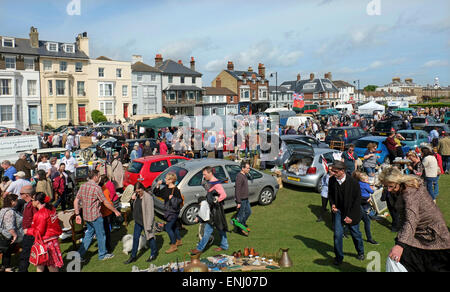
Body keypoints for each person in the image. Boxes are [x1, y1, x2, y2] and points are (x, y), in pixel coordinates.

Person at [380, 168, 450, 272]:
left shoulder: (410, 192)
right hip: (417, 234)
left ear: (398, 182)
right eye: (386, 186)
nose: (389, 189)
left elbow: (411, 219)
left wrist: (400, 245)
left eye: (391, 186)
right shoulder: (400, 189)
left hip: (432, 235)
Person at [74, 170, 121, 261]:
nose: (100, 178)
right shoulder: (97, 188)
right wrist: (115, 211)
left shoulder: (83, 186)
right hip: (96, 216)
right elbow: (105, 202)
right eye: (99, 176)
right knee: (101, 235)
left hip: (86, 216)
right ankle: (102, 255)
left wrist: (77, 214)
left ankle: (79, 255)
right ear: (95, 177)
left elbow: (76, 201)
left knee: (89, 234)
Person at [328, 161, 364, 265]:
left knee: (355, 234)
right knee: (337, 235)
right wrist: (333, 204)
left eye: (335, 171)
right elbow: (330, 194)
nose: (333, 173)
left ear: (342, 171)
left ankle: (360, 252)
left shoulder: (353, 183)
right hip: (338, 211)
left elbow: (357, 202)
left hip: (352, 212)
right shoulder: (332, 181)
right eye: (332, 171)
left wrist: (351, 216)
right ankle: (339, 258)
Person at [191, 166, 229, 255]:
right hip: (212, 209)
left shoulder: (217, 184)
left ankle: (199, 249)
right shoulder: (210, 182)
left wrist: (216, 200)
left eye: (205, 174)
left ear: (210, 173)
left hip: (216, 210)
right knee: (220, 228)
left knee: (211, 230)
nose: (204, 176)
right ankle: (224, 245)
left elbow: (224, 195)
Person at [124, 182, 158, 264]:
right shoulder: (137, 196)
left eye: (139, 191)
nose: (138, 193)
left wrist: (149, 225)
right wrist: (133, 200)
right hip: (138, 222)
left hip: (146, 222)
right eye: (136, 191)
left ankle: (153, 254)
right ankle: (133, 256)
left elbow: (150, 213)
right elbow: (133, 208)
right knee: (135, 238)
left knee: (150, 238)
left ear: (142, 189)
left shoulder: (148, 197)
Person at [154, 172, 183, 254]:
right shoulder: (166, 188)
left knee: (168, 228)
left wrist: (172, 198)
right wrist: (158, 185)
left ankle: (173, 245)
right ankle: (179, 240)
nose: (165, 180)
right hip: (168, 210)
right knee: (174, 227)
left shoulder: (176, 190)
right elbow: (157, 193)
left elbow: (179, 201)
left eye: (166, 179)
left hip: (173, 212)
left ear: (171, 180)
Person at [0, 194, 23, 272]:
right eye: (16, 200)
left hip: (3, 234)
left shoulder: (3, 209)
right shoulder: (10, 212)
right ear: (12, 202)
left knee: (6, 252)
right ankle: (6, 268)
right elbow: (10, 226)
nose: (17, 201)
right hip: (8, 235)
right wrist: (15, 235)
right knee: (7, 251)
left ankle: (4, 267)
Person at [354, 172, 378, 245]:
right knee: (362, 221)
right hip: (362, 203)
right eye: (367, 179)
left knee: (361, 221)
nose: (368, 180)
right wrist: (372, 189)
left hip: (361, 203)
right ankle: (369, 238)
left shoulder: (357, 184)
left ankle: (369, 238)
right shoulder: (365, 185)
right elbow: (371, 191)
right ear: (363, 180)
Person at [17, 185, 37, 272]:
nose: (20, 195)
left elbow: (36, 219)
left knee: (25, 257)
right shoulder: (30, 204)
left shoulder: (32, 205)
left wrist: (27, 229)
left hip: (31, 234)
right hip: (32, 233)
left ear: (26, 195)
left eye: (21, 193)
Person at [234, 161, 251, 235]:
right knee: (240, 216)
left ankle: (241, 225)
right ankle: (240, 229)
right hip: (241, 200)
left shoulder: (245, 175)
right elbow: (237, 190)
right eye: (247, 168)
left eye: (249, 168)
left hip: (246, 199)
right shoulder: (239, 176)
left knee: (248, 212)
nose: (249, 169)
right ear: (243, 168)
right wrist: (238, 202)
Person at [98, 175, 114, 254]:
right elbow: (108, 200)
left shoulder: (101, 189)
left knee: (104, 232)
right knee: (106, 231)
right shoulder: (104, 188)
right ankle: (107, 247)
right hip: (106, 212)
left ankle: (106, 247)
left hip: (104, 212)